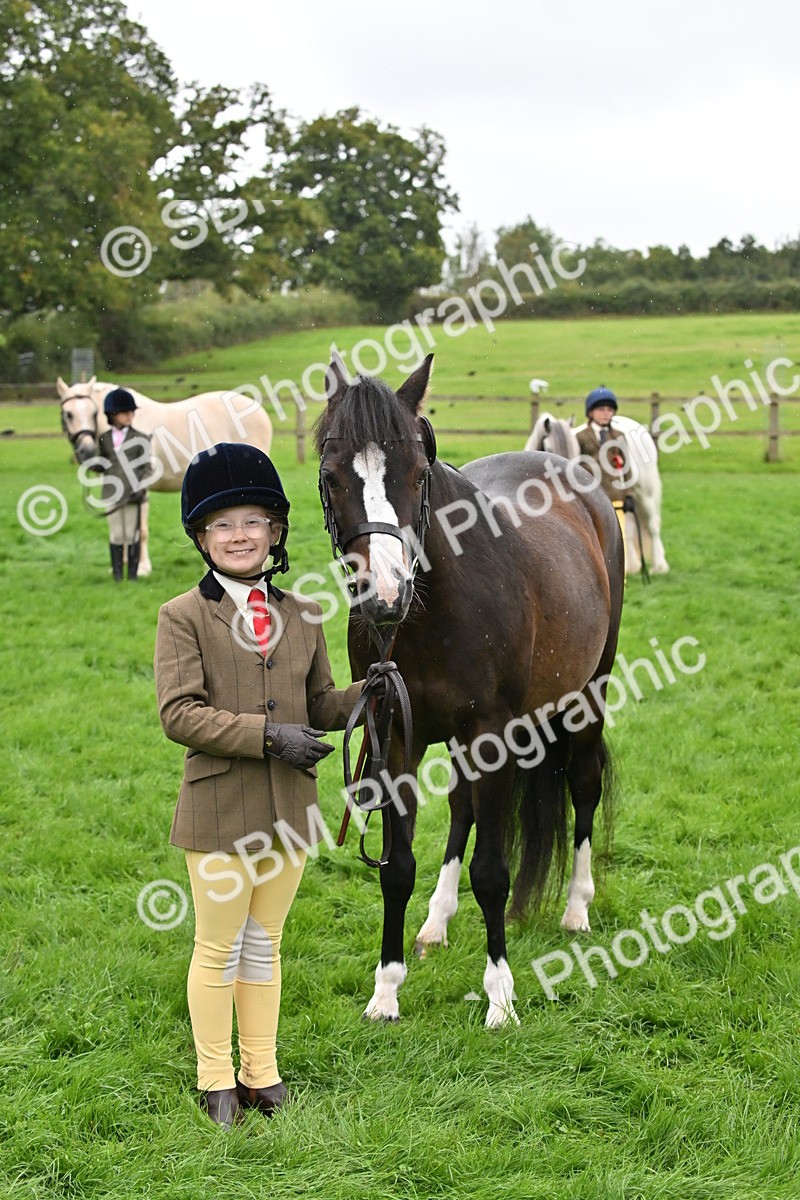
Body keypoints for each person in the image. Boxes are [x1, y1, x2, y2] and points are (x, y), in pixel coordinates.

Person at [154, 442, 367, 1131]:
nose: (240, 535)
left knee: (264, 943)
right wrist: (270, 737)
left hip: (290, 811)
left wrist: (375, 693)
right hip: (219, 808)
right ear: (200, 536)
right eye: (223, 524)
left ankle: (261, 1071)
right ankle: (215, 1078)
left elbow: (322, 703)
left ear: (275, 531)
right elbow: (179, 714)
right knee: (218, 947)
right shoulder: (182, 615)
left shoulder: (304, 613)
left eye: (252, 521)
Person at [95, 387, 151, 581]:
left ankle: (133, 577)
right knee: (117, 535)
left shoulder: (141, 438)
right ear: (113, 414)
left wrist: (140, 487)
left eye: (131, 411)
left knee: (132, 536)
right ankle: (118, 577)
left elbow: (147, 468)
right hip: (112, 493)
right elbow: (102, 463)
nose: (130, 415)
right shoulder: (104, 439)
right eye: (125, 412)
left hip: (133, 494)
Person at [574, 386, 635, 560]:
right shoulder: (580, 437)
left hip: (615, 497)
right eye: (601, 409)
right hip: (589, 498)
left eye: (609, 409)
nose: (605, 413)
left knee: (618, 544)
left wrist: (630, 494)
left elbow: (627, 468)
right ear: (590, 412)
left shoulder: (619, 436)